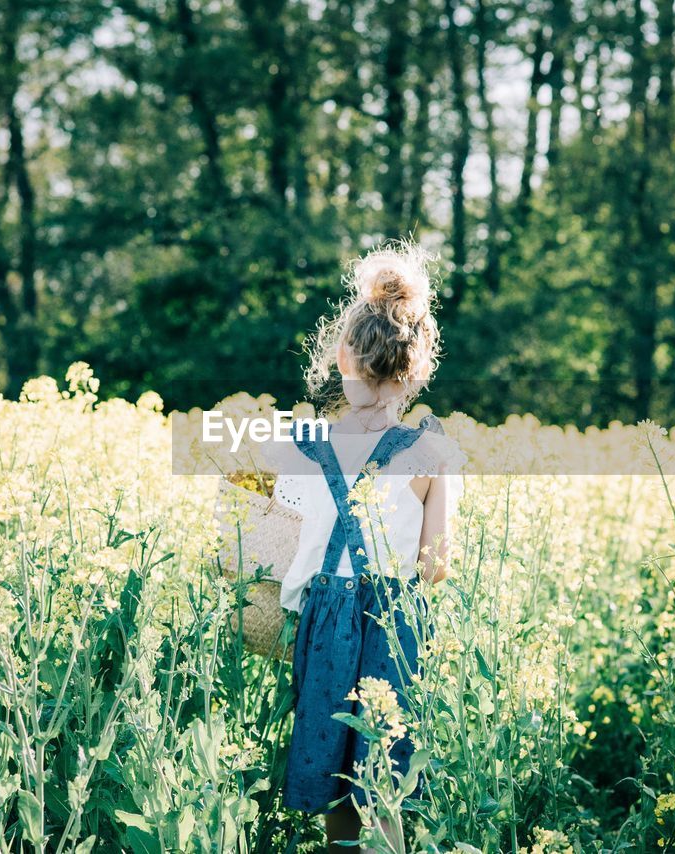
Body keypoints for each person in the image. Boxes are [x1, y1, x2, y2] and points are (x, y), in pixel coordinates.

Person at [264, 239, 466, 853]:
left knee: (333, 782)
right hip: (393, 627)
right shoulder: (434, 453)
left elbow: (273, 544)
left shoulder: (296, 446)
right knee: (384, 783)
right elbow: (436, 568)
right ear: (420, 363)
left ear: (342, 357)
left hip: (325, 625)